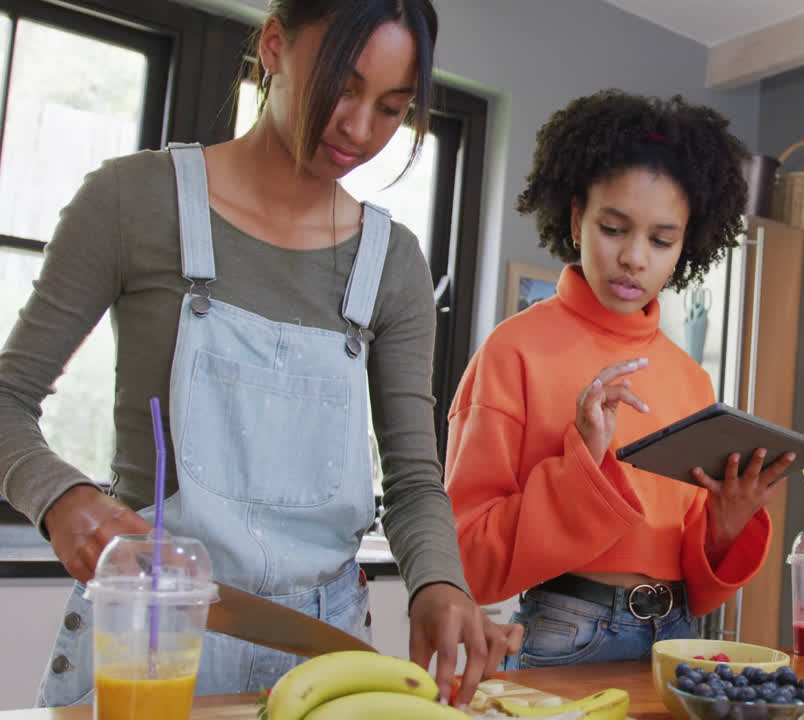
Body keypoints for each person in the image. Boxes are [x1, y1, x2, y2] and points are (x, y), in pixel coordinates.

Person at [0, 0, 518, 707]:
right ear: (274, 45)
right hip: (153, 631)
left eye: (394, 109)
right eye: (342, 85)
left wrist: (439, 582)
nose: (360, 129)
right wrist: (62, 497)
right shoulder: (131, 202)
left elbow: (413, 480)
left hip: (322, 641)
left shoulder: (392, 265)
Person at [444, 89, 795, 669]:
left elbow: (698, 579)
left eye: (661, 240)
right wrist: (582, 461)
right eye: (613, 228)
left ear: (687, 245)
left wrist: (725, 527)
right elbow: (467, 559)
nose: (635, 257)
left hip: (678, 640)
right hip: (564, 635)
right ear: (577, 216)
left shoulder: (690, 380)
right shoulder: (514, 352)